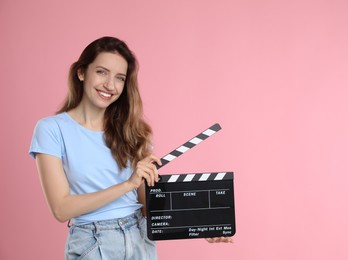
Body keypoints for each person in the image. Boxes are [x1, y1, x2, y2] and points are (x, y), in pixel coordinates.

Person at [29, 36, 231, 260]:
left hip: (139, 238)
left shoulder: (133, 131)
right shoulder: (51, 129)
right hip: (93, 242)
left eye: (120, 78)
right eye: (101, 72)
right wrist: (128, 184)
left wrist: (201, 225)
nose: (110, 85)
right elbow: (61, 209)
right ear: (81, 73)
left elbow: (148, 205)